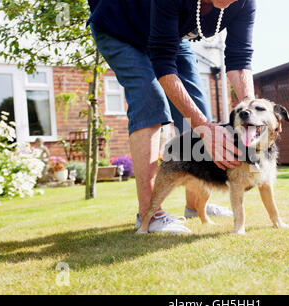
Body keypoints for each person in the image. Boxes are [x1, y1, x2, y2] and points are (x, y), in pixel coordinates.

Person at [88, 0, 256, 233]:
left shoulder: (245, 4)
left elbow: (239, 59)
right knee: (150, 100)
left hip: (171, 37)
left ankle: (195, 206)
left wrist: (251, 106)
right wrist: (203, 128)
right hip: (120, 27)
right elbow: (163, 64)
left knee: (198, 110)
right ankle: (149, 213)